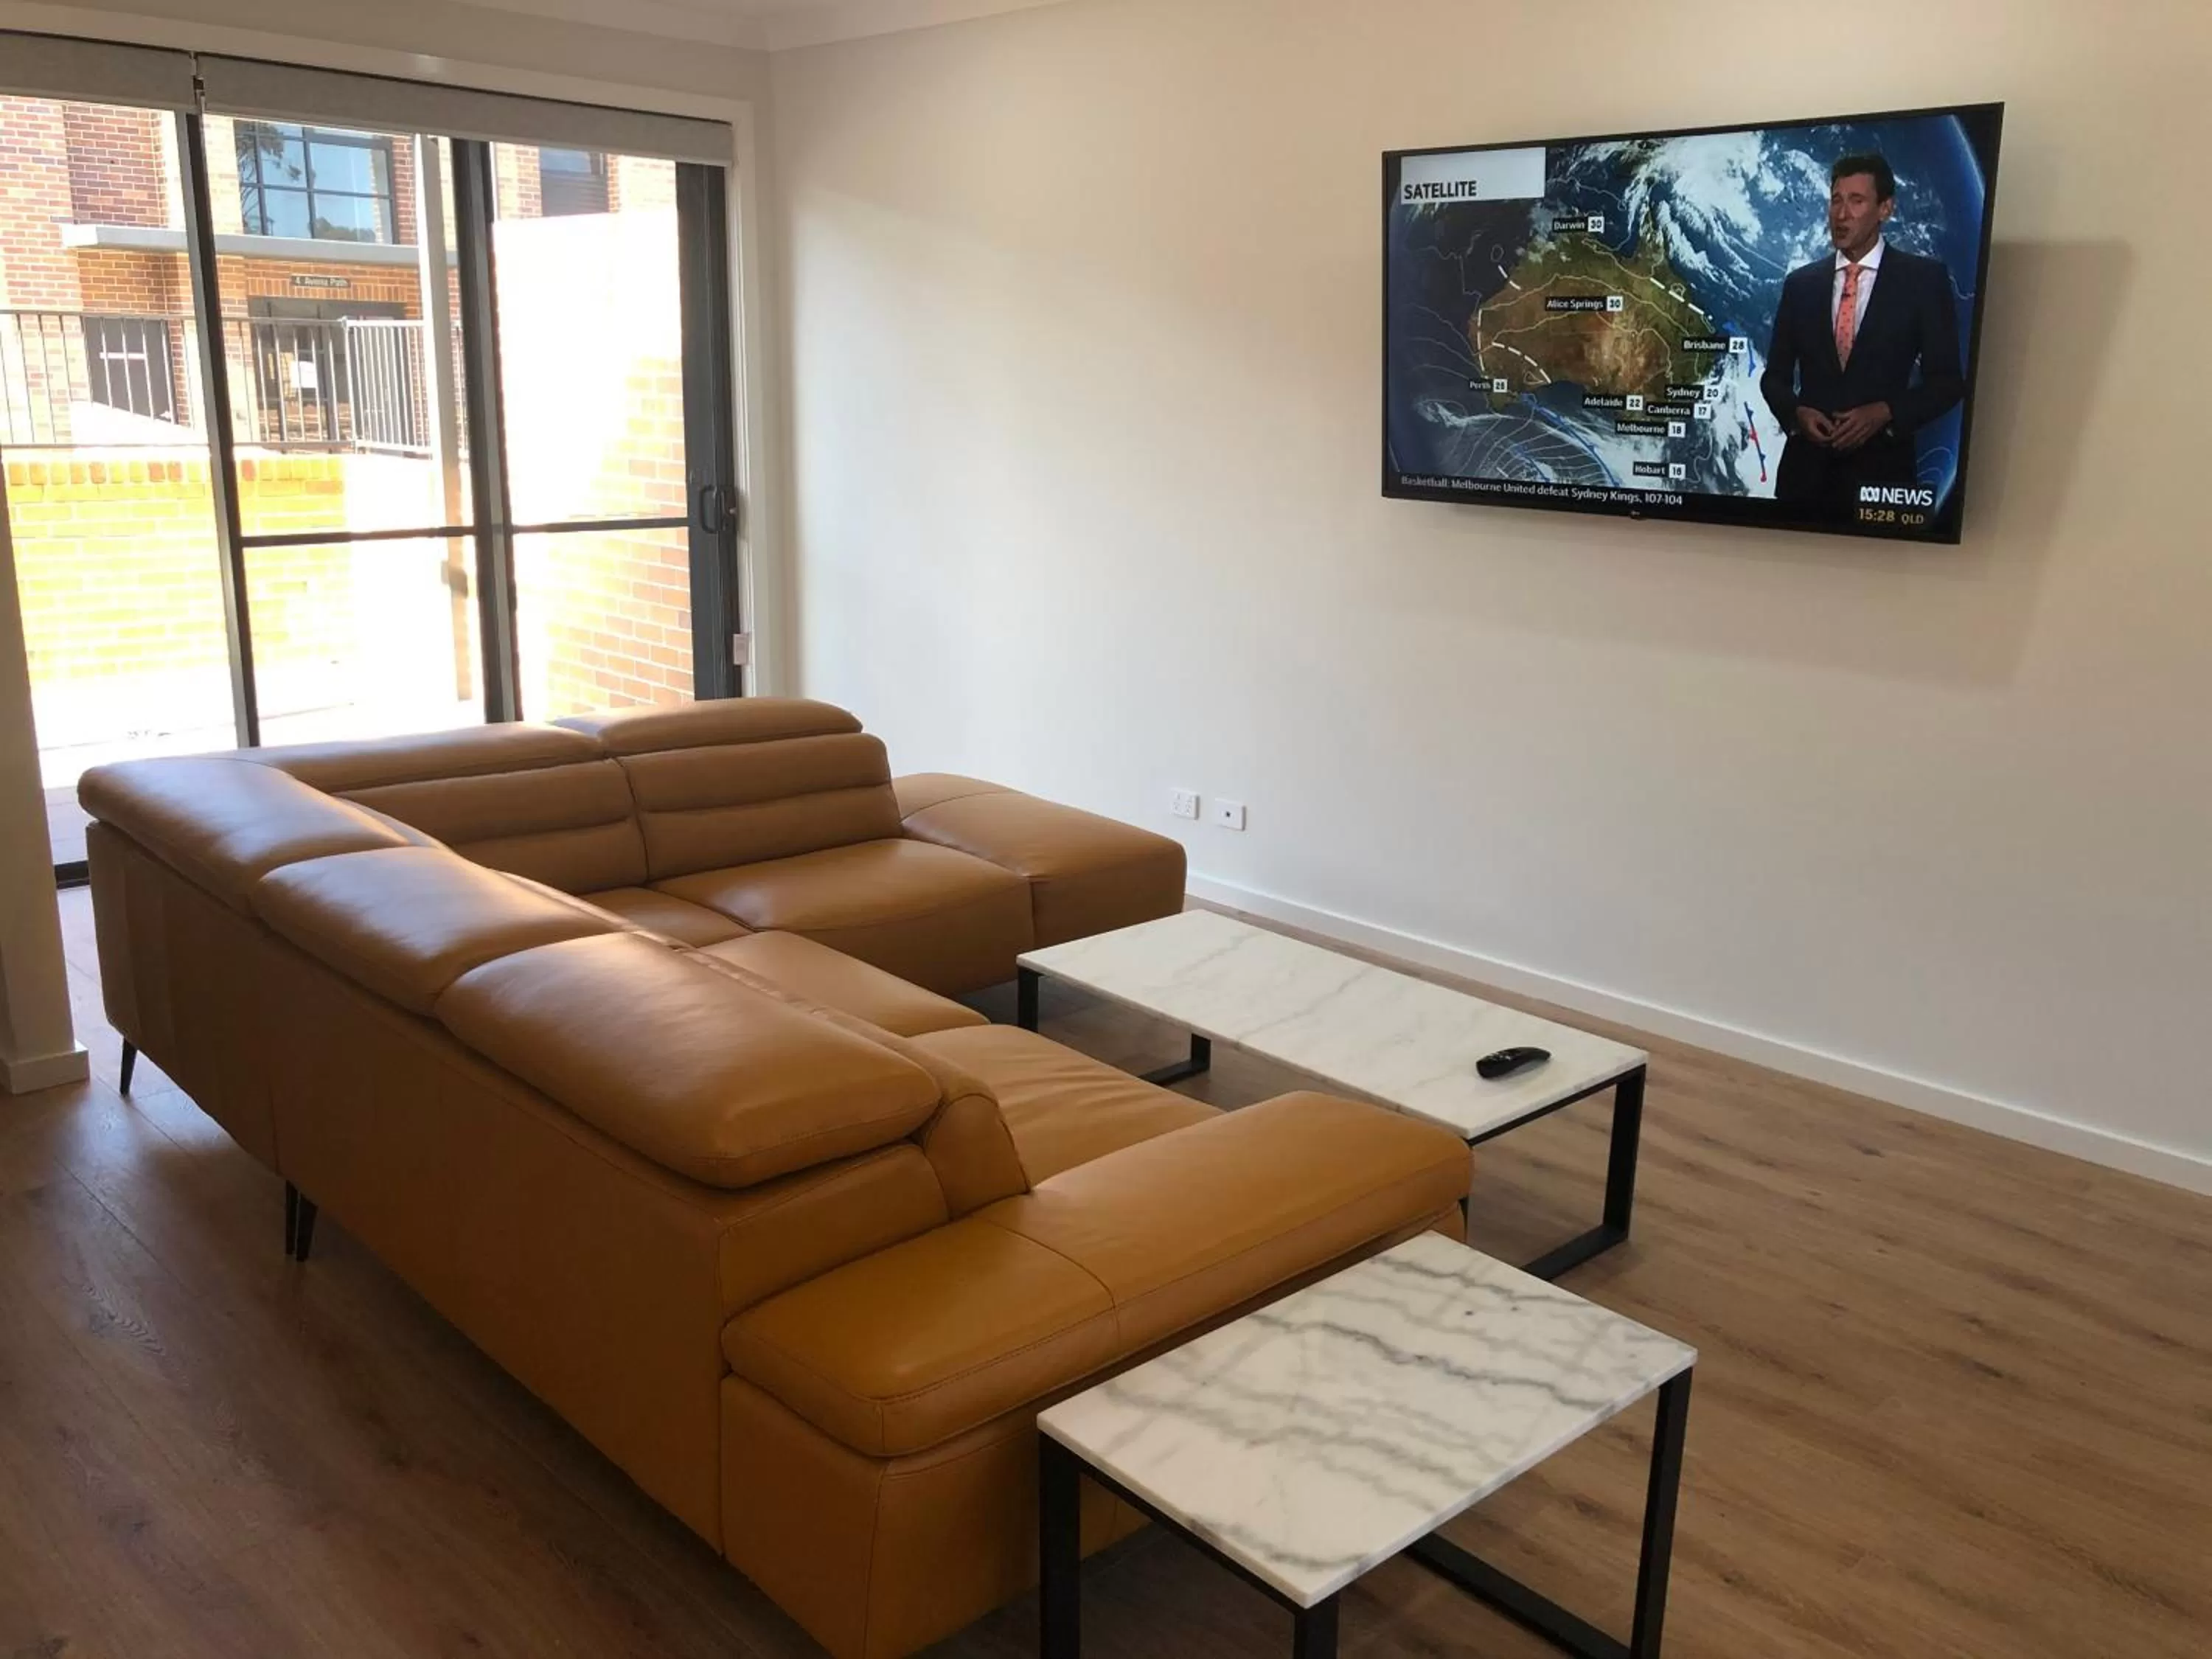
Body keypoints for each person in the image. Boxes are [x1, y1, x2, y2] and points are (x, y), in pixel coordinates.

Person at [1760, 153, 1964, 509]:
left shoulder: (1923, 281)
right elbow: (1774, 378)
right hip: (1804, 482)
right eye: (1836, 200)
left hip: (1882, 481)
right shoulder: (1801, 285)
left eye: (1856, 201)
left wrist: (1885, 412)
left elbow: (1947, 383)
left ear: (1885, 209)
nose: (1841, 214)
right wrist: (1796, 415)